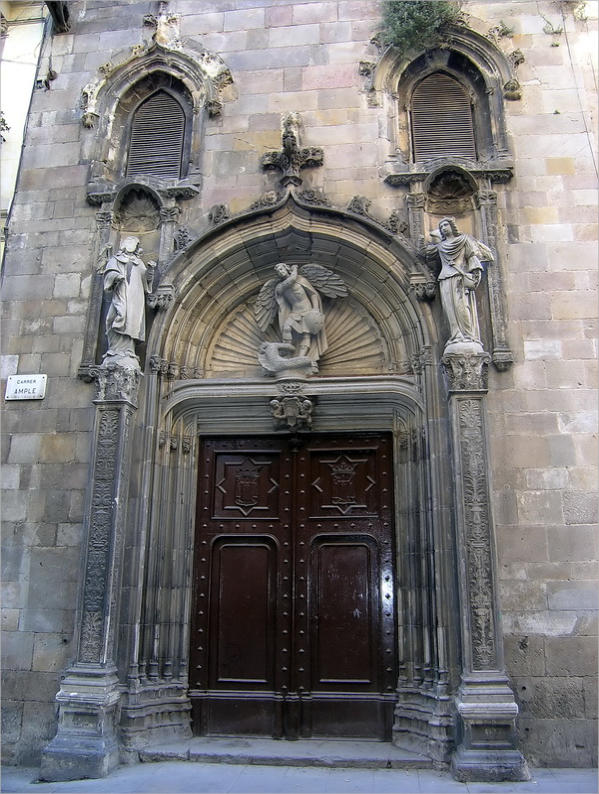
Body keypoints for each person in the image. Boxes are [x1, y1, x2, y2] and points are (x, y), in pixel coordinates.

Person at [431, 218, 493, 350]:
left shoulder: (464, 240)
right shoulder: (441, 246)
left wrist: (475, 275)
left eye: (446, 225)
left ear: (452, 226)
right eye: (441, 227)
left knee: (462, 307)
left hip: (460, 278)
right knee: (449, 309)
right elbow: (426, 251)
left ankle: (468, 335)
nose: (443, 228)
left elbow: (472, 257)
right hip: (445, 279)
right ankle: (456, 335)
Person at [103, 236, 155, 364]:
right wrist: (116, 277)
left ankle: (128, 350)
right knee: (116, 316)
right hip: (121, 292)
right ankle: (115, 349)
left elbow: (146, 281)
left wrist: (151, 270)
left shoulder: (139, 262)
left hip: (135, 297)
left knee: (132, 320)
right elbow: (109, 273)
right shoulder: (116, 259)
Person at [273, 263, 326, 360]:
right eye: (278, 271)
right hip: (295, 312)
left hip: (307, 311)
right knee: (286, 327)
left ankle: (301, 357)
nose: (280, 272)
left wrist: (315, 309)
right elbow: (289, 282)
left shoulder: (301, 280)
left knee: (306, 335)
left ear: (286, 269)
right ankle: (287, 352)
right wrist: (294, 271)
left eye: (281, 269)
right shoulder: (280, 287)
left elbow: (312, 294)